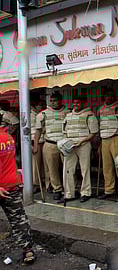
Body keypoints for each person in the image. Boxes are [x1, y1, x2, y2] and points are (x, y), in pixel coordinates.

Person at [0, 128, 36, 264]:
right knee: (18, 219)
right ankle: (28, 250)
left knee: (18, 219)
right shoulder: (8, 137)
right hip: (11, 184)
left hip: (3, 185)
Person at [60, 94, 99, 203]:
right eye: (74, 103)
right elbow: (64, 132)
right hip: (70, 146)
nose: (76, 105)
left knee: (85, 169)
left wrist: (82, 141)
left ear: (83, 103)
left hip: (84, 145)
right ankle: (69, 194)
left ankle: (85, 192)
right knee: (67, 170)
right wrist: (64, 144)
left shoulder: (90, 115)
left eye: (78, 103)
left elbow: (93, 133)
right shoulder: (68, 116)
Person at [97, 88, 118, 200]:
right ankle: (109, 190)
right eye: (107, 95)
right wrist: (99, 144)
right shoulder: (100, 109)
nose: (109, 97)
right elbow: (100, 126)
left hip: (117, 138)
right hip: (104, 139)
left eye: (111, 95)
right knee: (107, 168)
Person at [35, 92, 67, 200]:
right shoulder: (43, 114)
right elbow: (38, 131)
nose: (53, 103)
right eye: (51, 101)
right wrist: (35, 146)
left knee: (68, 168)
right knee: (52, 169)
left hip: (64, 144)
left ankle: (69, 189)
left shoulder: (68, 113)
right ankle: (57, 189)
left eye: (55, 100)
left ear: (60, 100)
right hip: (50, 144)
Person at [31, 96, 49, 192]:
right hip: (35, 141)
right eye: (40, 105)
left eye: (43, 105)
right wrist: (35, 144)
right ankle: (36, 183)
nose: (42, 107)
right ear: (35, 105)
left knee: (45, 164)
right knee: (36, 164)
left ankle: (47, 183)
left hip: (44, 140)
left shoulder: (43, 114)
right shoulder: (30, 114)